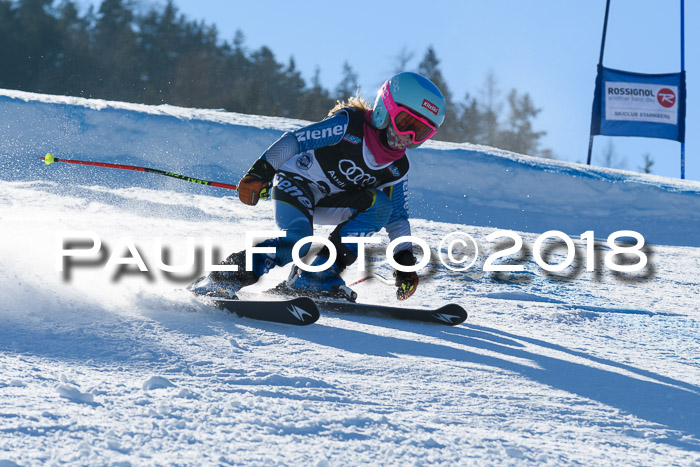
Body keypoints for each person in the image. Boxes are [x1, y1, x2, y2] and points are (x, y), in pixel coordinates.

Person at [189, 71, 446, 302]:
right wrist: (261, 172)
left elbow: (398, 217)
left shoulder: (397, 168)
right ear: (384, 109)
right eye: (405, 124)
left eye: (420, 133)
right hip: (296, 186)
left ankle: (315, 276)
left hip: (330, 201)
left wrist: (404, 263)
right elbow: (294, 141)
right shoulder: (348, 126)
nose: (407, 138)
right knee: (297, 242)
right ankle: (222, 278)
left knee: (382, 206)